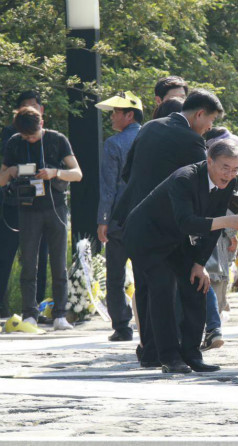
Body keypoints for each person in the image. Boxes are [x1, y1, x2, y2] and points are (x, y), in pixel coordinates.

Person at [113, 89, 224, 367]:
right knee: (178, 288)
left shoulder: (149, 127)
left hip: (134, 221)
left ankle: (152, 352)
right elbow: (198, 187)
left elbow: (127, 173)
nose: (210, 127)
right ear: (199, 114)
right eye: (210, 121)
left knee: (149, 289)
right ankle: (176, 355)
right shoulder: (191, 141)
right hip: (167, 223)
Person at [123, 139, 238, 373]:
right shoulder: (185, 178)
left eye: (235, 169)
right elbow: (187, 222)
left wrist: (199, 263)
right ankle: (169, 357)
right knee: (163, 288)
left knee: (197, 285)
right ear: (209, 160)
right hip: (146, 236)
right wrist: (227, 221)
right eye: (225, 167)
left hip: (175, 238)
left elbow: (210, 231)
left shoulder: (228, 184)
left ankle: (192, 354)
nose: (230, 174)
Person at [0, 107, 83, 330]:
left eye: (33, 135)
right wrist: (13, 171)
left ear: (42, 123)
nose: (30, 139)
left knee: (58, 263)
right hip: (27, 209)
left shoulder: (57, 139)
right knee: (28, 262)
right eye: (26, 136)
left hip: (55, 207)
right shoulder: (15, 143)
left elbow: (77, 173)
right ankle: (30, 313)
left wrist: (55, 172)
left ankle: (60, 315)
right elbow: (1, 179)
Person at [95, 91, 144, 342]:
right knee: (146, 272)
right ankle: (147, 321)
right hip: (146, 216)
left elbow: (109, 187)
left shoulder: (114, 144)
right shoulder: (151, 137)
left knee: (115, 275)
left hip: (119, 220)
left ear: (129, 114)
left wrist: (103, 220)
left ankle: (122, 326)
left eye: (115, 112)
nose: (112, 117)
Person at [199, 127, 238, 351]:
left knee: (211, 279)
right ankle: (213, 326)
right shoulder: (204, 176)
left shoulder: (220, 177)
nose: (231, 172)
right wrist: (231, 232)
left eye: (235, 167)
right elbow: (229, 208)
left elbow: (234, 202)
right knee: (212, 279)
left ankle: (212, 327)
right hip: (211, 235)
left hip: (214, 234)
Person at [0, 91, 49, 317]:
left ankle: (38, 307)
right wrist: (18, 171)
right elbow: (6, 170)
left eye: (34, 107)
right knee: (6, 254)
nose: (30, 111)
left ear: (41, 111)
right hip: (13, 202)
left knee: (40, 256)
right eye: (25, 108)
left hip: (44, 204)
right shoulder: (11, 136)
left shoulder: (51, 137)